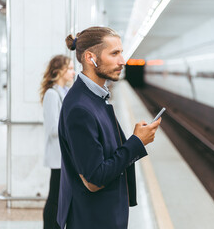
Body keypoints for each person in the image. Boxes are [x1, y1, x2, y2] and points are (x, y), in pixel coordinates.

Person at [57, 26, 161, 229]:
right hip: (92, 219)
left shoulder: (95, 97)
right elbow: (94, 179)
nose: (122, 61)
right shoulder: (80, 107)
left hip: (103, 215)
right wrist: (137, 142)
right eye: (114, 53)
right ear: (90, 57)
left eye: (121, 53)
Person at [40, 55, 75, 229]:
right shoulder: (52, 94)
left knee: (61, 198)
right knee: (55, 198)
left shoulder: (66, 92)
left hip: (65, 157)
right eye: (69, 69)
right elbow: (53, 129)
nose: (73, 72)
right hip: (57, 157)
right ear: (59, 71)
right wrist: (74, 129)